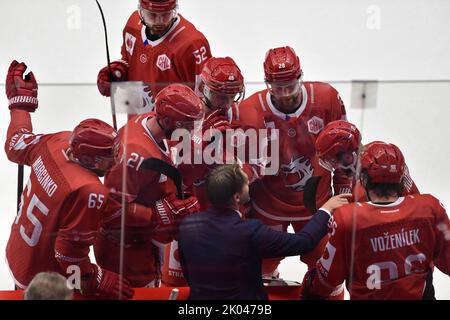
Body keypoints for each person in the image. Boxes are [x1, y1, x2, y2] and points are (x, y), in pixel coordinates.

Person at [4, 60, 134, 299]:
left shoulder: (59, 141)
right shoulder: (89, 189)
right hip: (44, 276)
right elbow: (68, 255)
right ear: (92, 162)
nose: (116, 160)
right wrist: (94, 278)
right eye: (110, 157)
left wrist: (20, 107)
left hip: (18, 252)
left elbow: (15, 144)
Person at [233, 46, 347, 284]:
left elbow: (345, 150)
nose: (285, 94)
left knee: (330, 273)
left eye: (290, 86)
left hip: (318, 204)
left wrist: (345, 194)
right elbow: (239, 169)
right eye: (277, 87)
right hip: (268, 205)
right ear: (267, 83)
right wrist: (239, 210)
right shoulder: (249, 112)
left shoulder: (327, 99)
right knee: (257, 273)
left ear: (301, 77)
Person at [178, 164, 351, 300]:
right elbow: (304, 242)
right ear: (237, 197)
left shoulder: (187, 225)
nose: (250, 186)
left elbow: (188, 272)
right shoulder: (250, 232)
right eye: (247, 184)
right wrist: (326, 209)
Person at [302, 142, 450, 299]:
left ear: (364, 180)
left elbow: (327, 281)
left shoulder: (347, 217)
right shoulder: (430, 207)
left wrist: (309, 284)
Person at [94, 83, 203, 288]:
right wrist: (157, 213)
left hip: (142, 241)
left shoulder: (149, 122)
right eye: (187, 125)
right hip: (123, 251)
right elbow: (108, 212)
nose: (191, 130)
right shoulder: (135, 153)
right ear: (168, 120)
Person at [97, 0, 212, 115]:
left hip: (175, 129)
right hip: (136, 124)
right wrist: (119, 71)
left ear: (174, 10)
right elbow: (130, 62)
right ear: (140, 11)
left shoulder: (192, 44)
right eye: (152, 15)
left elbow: (207, 95)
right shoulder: (133, 27)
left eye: (166, 14)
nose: (159, 22)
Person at [315, 120, 420, 200]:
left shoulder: (373, 176)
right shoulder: (383, 153)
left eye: (334, 162)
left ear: (348, 157)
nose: (335, 168)